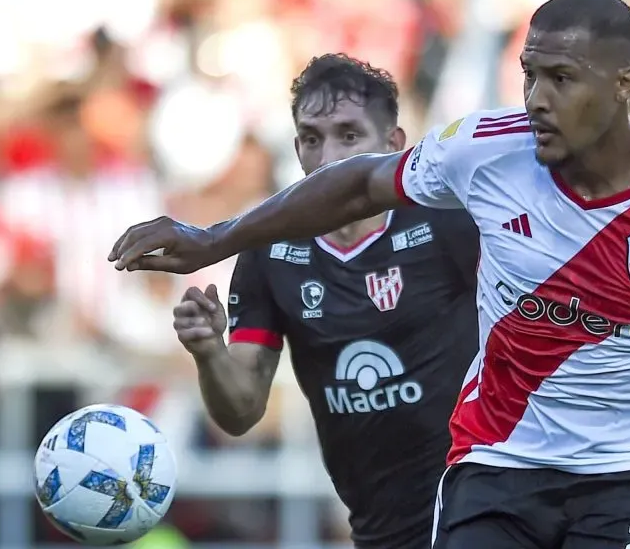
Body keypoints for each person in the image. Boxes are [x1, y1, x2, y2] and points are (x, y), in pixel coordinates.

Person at [111, 0, 630, 549]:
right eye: (529, 74)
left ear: (623, 84)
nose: (537, 98)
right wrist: (216, 239)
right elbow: (361, 184)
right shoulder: (485, 151)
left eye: (562, 78)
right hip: (500, 463)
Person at [168, 54, 481, 549]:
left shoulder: (449, 224)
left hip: (476, 506)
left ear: (394, 145)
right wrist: (209, 353)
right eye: (312, 139)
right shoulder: (269, 252)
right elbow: (240, 412)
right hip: (378, 526)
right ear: (296, 148)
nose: (328, 157)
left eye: (349, 136)